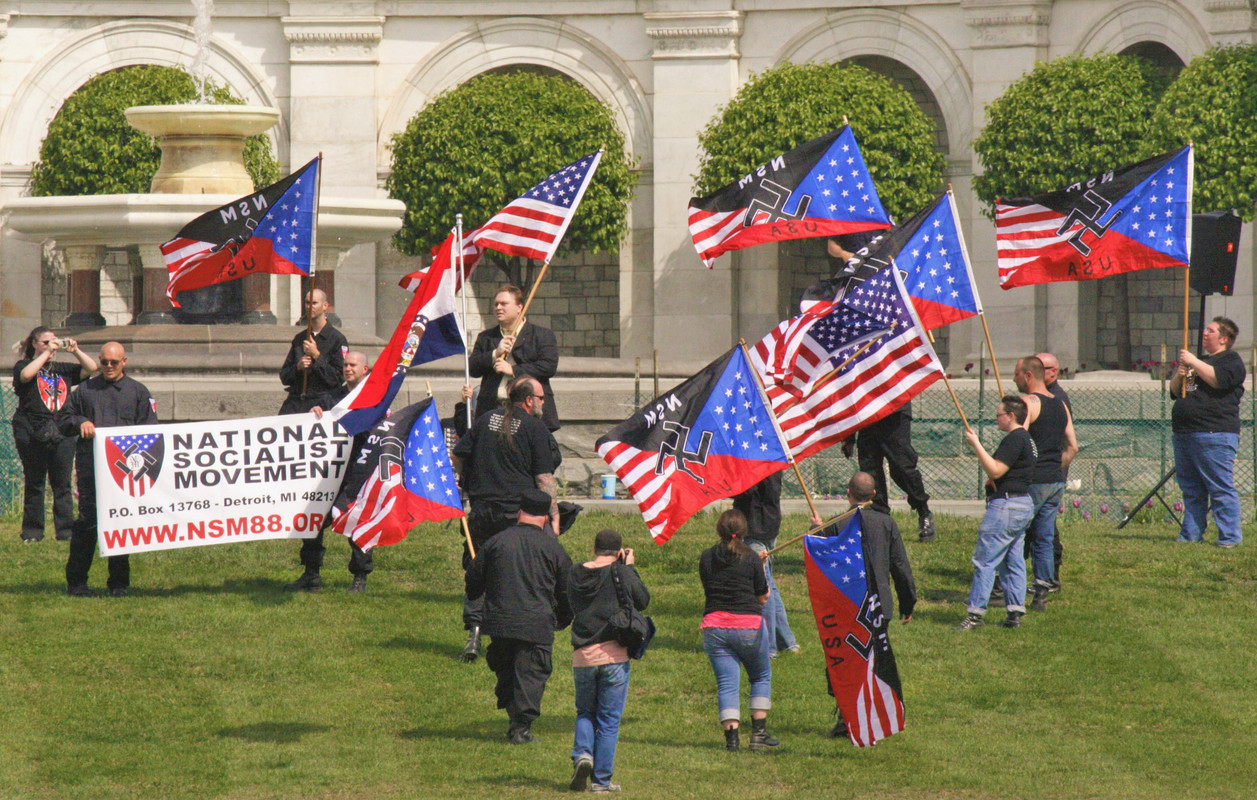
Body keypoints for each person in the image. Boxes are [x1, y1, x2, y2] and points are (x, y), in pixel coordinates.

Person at [453, 376, 562, 661]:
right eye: (540, 398)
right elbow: (544, 478)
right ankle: (511, 634)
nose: (543, 403)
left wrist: (462, 482)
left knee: (477, 570)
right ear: (528, 400)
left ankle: (474, 631)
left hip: (481, 512)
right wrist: (554, 513)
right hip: (517, 517)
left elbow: (459, 452)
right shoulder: (535, 428)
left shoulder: (486, 418)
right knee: (515, 574)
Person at [811, 471, 916, 736]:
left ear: (847, 493)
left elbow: (819, 554)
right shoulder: (886, 523)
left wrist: (816, 530)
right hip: (879, 606)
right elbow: (900, 566)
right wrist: (908, 602)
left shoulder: (838, 523)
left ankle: (847, 715)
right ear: (873, 496)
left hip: (848, 605)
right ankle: (870, 714)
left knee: (844, 661)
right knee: (874, 659)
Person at [464, 488, 572, 745]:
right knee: (531, 675)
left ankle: (515, 722)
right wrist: (563, 618)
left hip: (500, 622)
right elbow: (568, 588)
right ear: (545, 518)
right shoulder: (553, 548)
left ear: (520, 512)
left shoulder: (496, 542)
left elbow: (473, 579)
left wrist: (478, 594)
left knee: (507, 671)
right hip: (536, 623)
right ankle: (521, 728)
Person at [56, 342, 157, 597]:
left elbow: (151, 431)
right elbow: (64, 419)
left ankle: (119, 584)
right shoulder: (84, 391)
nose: (109, 367)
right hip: (91, 467)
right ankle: (77, 582)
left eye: (114, 362)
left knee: (121, 525)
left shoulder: (138, 392)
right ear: (99, 362)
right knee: (88, 523)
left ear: (124, 362)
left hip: (126, 474)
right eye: (104, 362)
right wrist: (81, 421)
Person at [567, 528, 649, 793]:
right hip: (614, 656)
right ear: (619, 552)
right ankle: (601, 781)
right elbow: (642, 600)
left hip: (583, 656)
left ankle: (582, 755)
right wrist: (629, 568)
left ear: (593, 549)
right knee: (609, 720)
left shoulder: (575, 573)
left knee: (585, 712)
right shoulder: (621, 572)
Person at [284, 351, 374, 593]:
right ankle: (311, 574)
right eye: (345, 364)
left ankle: (360, 576)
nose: (347, 369)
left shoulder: (374, 398)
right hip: (329, 474)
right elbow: (317, 416)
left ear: (365, 369)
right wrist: (315, 412)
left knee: (356, 524)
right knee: (312, 521)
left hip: (358, 474)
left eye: (353, 365)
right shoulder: (332, 397)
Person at [699, 509, 779, 753]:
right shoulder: (752, 558)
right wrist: (762, 566)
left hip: (714, 626)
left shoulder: (706, 556)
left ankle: (731, 740)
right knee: (760, 676)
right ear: (744, 531)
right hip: (748, 627)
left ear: (719, 530)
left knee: (727, 684)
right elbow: (763, 597)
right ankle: (759, 733)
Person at [957, 397, 1038, 630]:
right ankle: (1014, 612)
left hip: (1006, 506)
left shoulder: (1015, 439)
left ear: (1011, 416)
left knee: (985, 560)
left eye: (999, 414)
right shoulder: (1028, 440)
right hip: (1022, 504)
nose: (996, 419)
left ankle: (975, 614)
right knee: (1013, 561)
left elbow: (995, 469)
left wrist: (976, 444)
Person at [10, 327, 97, 542]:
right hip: (31, 432)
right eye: (45, 342)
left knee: (62, 483)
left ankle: (66, 531)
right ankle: (32, 532)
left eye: (54, 341)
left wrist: (75, 350)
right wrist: (46, 354)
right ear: (34, 344)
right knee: (35, 482)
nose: (51, 345)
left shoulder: (63, 370)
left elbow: (91, 368)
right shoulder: (24, 365)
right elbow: (26, 375)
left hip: (62, 431)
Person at [1171, 317, 1245, 548]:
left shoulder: (1231, 361)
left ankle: (1229, 538)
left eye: (1210, 331)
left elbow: (1217, 381)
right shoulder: (1199, 364)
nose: (1204, 333)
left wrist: (1193, 361)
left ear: (1223, 338)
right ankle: (1191, 535)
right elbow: (1182, 391)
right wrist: (1181, 373)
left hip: (1213, 433)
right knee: (1191, 489)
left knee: (1220, 488)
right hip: (1186, 433)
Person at [1014, 356, 1078, 612]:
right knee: (1044, 537)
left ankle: (1005, 589)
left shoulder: (1028, 403)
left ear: (1029, 376)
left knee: (1015, 535)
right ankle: (1042, 591)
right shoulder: (1060, 405)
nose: (1014, 379)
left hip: (1033, 481)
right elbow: (1073, 446)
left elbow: (1019, 441)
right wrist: (1056, 467)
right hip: (1054, 480)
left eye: (1017, 374)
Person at [468, 285, 560, 432]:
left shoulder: (542, 335)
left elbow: (548, 366)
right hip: (493, 410)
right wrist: (494, 354)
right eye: (496, 304)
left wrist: (513, 370)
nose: (498, 307)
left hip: (529, 411)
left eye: (504, 304)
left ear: (519, 307)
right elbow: (472, 368)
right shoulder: (486, 337)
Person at [732, 473, 799, 658]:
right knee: (769, 584)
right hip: (769, 523)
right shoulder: (772, 456)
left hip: (755, 526)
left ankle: (769, 648)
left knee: (762, 585)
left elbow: (746, 488)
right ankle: (787, 642)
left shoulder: (754, 461)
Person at [278, 289, 348, 415]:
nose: (309, 307)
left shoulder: (337, 339)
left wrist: (317, 356)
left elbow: (338, 378)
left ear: (325, 306)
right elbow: (284, 376)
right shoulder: (300, 338)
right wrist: (298, 367)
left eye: (314, 303)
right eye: (307, 303)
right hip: (295, 403)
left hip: (321, 405)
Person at [1037, 352, 1070, 592]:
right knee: (1042, 529)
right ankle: (1046, 578)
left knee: (1043, 529)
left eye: (1042, 368)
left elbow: (1067, 443)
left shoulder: (1056, 399)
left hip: (1048, 471)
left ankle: (1050, 576)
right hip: (1046, 472)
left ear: (1053, 372)